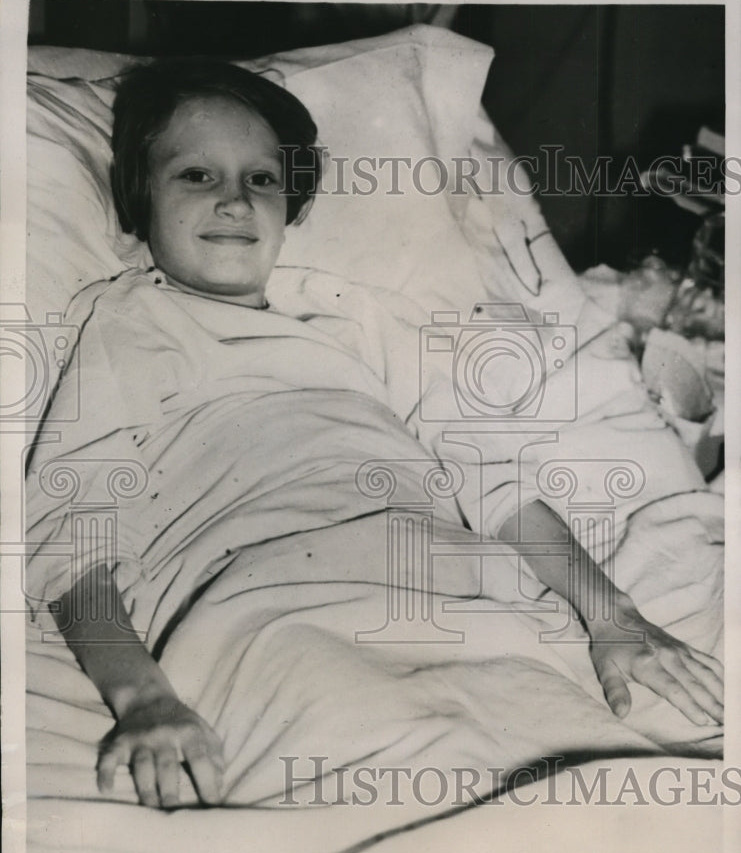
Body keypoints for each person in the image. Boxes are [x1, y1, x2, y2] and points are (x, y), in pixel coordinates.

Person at [27, 58, 723, 811]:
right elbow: (75, 531)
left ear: (290, 201)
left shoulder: (355, 319)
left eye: (260, 179)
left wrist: (613, 617)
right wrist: (144, 700)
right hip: (272, 603)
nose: (233, 201)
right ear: (140, 197)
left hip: (459, 593)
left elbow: (487, 477)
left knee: (610, 796)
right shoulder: (132, 322)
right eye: (196, 175)